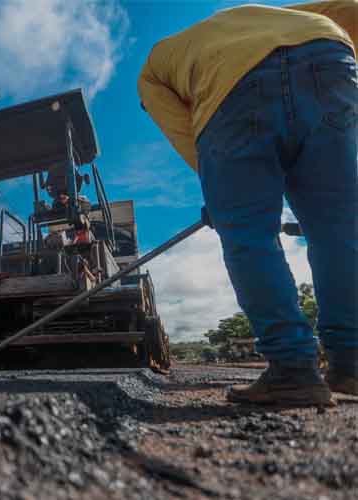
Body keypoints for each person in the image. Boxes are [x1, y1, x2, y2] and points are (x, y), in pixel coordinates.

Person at [138, 1, 357, 405]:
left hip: (231, 91)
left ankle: (293, 370)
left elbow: (180, 127)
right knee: (340, 230)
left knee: (250, 238)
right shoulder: (289, 13)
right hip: (329, 59)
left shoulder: (155, 67)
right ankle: (352, 364)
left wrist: (219, 190)